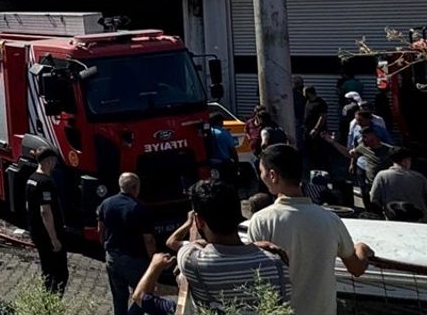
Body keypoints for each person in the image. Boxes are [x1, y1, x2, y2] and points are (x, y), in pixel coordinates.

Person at [129, 179, 291, 315]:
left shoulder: (192, 261)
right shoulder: (276, 264)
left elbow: (140, 296)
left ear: (199, 221)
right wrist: (256, 246)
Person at [250, 144, 374, 315]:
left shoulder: (261, 221)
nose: (261, 176)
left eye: (261, 171)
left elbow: (254, 275)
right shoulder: (330, 219)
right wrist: (361, 248)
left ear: (272, 175)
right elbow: (357, 268)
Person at [97, 173, 156, 315]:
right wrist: (153, 260)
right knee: (143, 296)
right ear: (135, 188)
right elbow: (148, 239)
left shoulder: (106, 203)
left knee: (119, 298)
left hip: (112, 257)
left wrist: (105, 247)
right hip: (135, 260)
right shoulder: (139, 208)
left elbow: (100, 229)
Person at [26, 148, 68, 294]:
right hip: (47, 234)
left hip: (36, 232)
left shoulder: (31, 179)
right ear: (49, 161)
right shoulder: (45, 182)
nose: (55, 165)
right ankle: (52, 305)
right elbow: (46, 212)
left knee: (47, 270)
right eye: (54, 161)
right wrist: (54, 239)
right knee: (60, 273)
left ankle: (45, 301)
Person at [325, 123, 392, 209]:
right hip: (370, 184)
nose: (362, 140)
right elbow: (348, 154)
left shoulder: (388, 150)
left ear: (374, 136)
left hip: (384, 186)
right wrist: (333, 142)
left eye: (365, 137)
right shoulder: (363, 147)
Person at [370, 146, 427, 215]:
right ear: (405, 161)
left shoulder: (382, 176)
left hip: (395, 219)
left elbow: (374, 199)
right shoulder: (419, 177)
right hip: (420, 220)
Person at [206, 113, 239, 185]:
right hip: (224, 164)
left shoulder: (207, 133)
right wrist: (236, 164)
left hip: (211, 164)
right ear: (219, 121)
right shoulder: (224, 133)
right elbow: (232, 150)